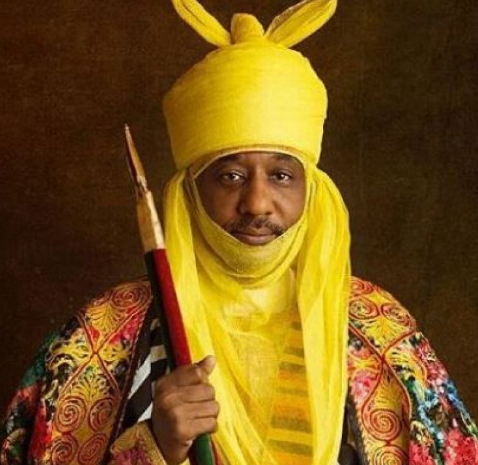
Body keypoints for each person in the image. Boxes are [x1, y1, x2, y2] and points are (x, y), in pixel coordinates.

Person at [1, 0, 477, 464]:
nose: (256, 204)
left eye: (282, 175)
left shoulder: (379, 328)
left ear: (312, 189)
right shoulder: (105, 333)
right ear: (191, 191)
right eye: (229, 176)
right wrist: (157, 447)